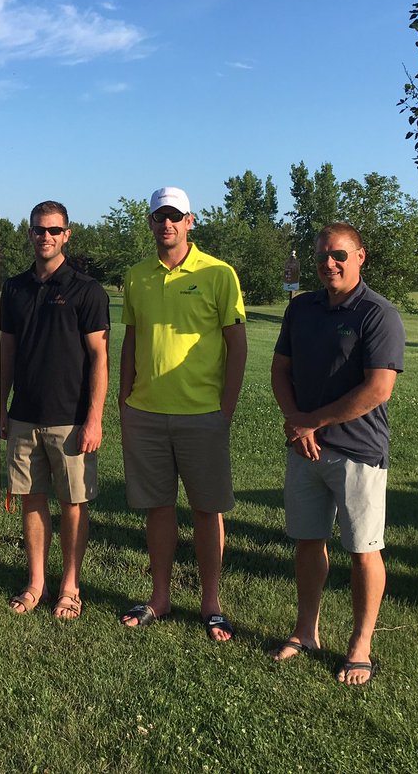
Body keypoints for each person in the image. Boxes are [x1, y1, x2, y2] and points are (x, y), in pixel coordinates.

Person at [270, 223, 405, 685]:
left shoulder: (377, 313)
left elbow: (378, 388)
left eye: (340, 255)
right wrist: (295, 421)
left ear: (360, 256)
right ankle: (306, 631)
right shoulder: (301, 308)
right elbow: (279, 371)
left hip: (357, 450)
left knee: (363, 550)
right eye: (324, 255)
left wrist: (315, 421)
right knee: (309, 541)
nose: (331, 263)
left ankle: (361, 644)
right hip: (303, 446)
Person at [118, 186, 247, 639]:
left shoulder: (218, 273)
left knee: (207, 510)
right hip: (146, 412)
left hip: (203, 414)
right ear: (150, 222)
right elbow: (131, 341)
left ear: (190, 220)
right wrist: (124, 400)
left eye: (175, 216)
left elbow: (237, 345)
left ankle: (210, 603)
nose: (166, 224)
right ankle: (160, 597)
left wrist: (225, 409)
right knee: (158, 507)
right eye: (159, 217)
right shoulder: (136, 276)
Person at [0, 200, 109, 619]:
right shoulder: (14, 288)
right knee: (31, 499)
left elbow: (99, 356)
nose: (45, 236)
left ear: (67, 234)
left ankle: (70, 585)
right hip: (25, 413)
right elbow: (7, 351)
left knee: (72, 504)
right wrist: (1, 406)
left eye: (53, 230)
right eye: (38, 229)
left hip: (72, 419)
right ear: (29, 233)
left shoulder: (87, 290)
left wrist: (95, 418)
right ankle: (36, 582)